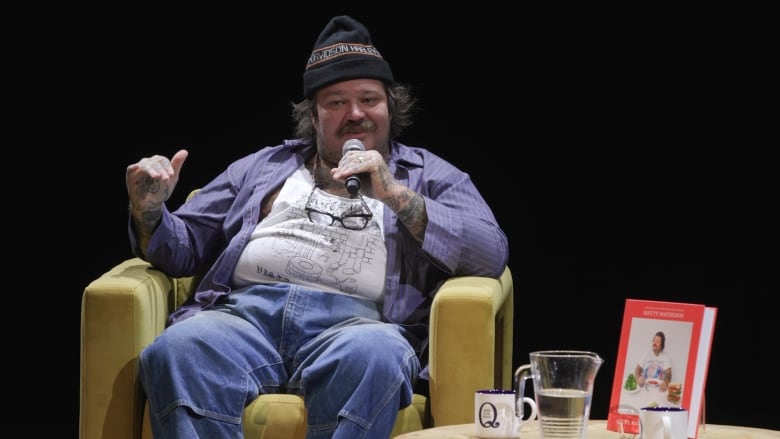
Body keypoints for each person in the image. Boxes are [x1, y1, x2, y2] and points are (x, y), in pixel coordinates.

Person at [125, 15, 508, 439]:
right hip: (242, 320)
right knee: (176, 350)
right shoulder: (263, 166)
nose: (355, 114)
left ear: (391, 107)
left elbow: (490, 254)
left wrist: (396, 194)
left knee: (379, 355)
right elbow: (182, 248)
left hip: (356, 327)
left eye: (369, 99)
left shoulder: (429, 175)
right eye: (336, 102)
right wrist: (150, 211)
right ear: (313, 115)